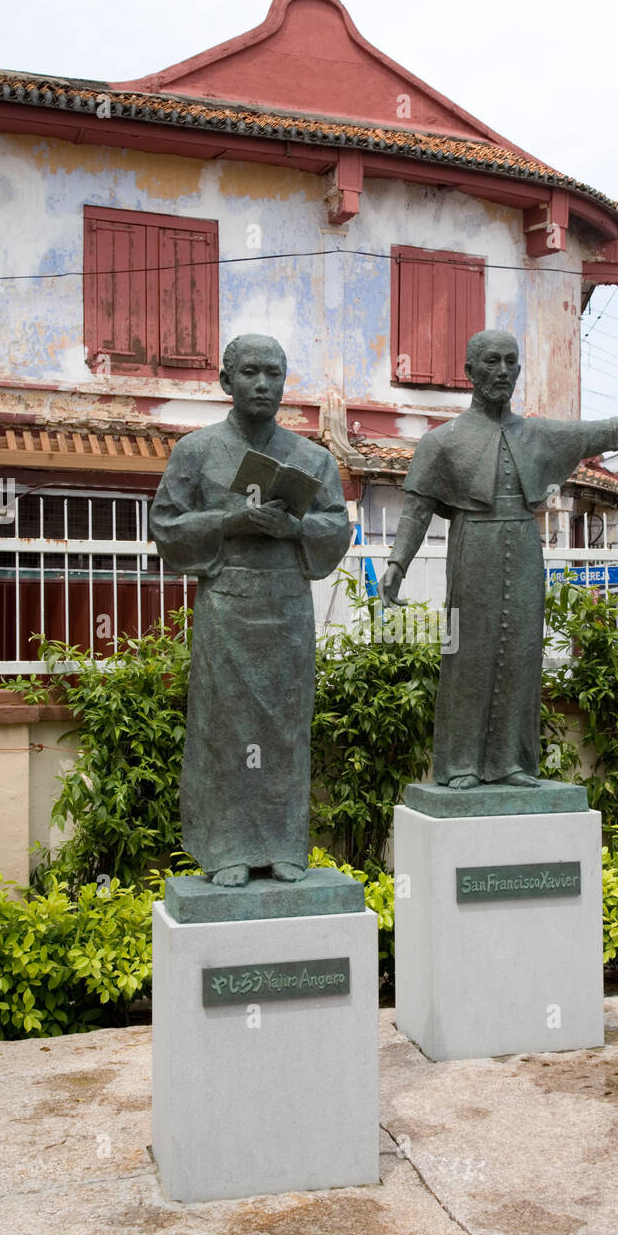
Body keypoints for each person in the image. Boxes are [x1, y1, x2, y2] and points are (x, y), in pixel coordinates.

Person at [380, 329, 618, 790]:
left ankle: (512, 761)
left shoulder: (536, 433)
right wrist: (397, 564)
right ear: (470, 372)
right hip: (473, 544)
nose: (503, 371)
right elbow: (416, 508)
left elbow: (603, 431)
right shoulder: (444, 441)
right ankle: (461, 764)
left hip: (524, 544)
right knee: (468, 654)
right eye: (491, 362)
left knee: (521, 653)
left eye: (511, 361)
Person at [150, 334, 351, 885]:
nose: (263, 384)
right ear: (226, 381)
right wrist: (227, 521)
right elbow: (165, 526)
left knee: (286, 728)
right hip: (226, 608)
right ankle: (229, 850)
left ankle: (285, 844)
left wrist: (296, 527)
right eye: (251, 372)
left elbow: (337, 527)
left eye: (274, 374)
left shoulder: (311, 458)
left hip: (286, 607)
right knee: (227, 729)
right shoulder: (195, 451)